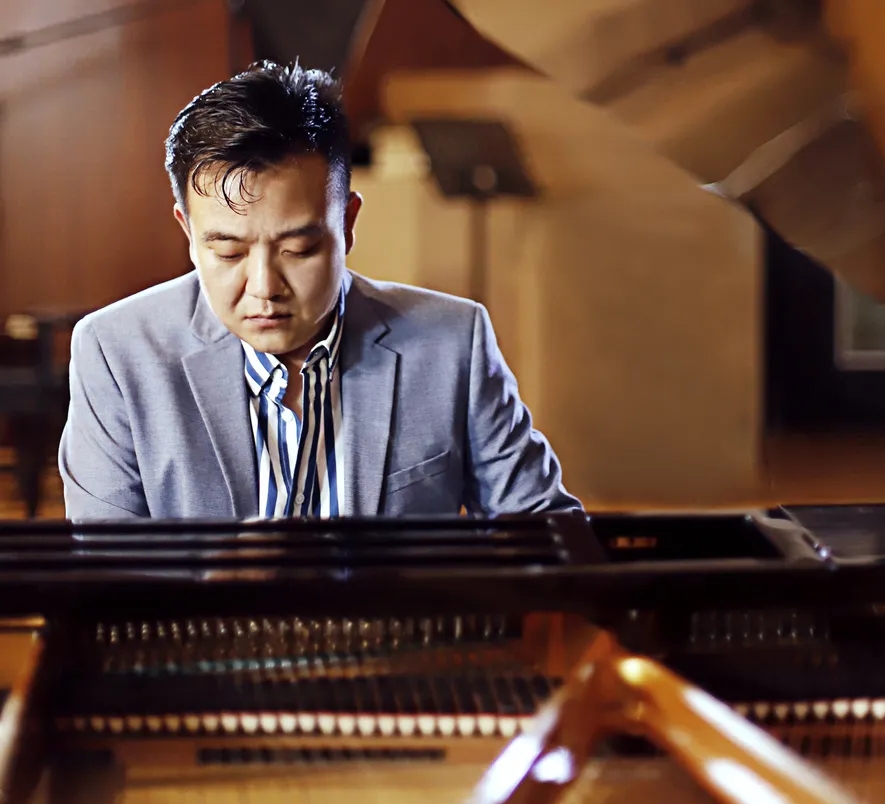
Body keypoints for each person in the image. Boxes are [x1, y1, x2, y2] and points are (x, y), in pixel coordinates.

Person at [58, 61, 579, 521]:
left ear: (347, 224)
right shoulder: (117, 352)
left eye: (298, 249)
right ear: (188, 233)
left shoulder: (451, 342)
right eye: (229, 253)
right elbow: (107, 573)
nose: (264, 287)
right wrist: (218, 581)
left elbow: (544, 537)